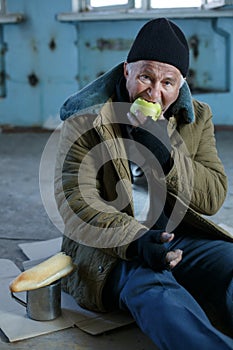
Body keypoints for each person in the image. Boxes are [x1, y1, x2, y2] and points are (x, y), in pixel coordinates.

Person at [54, 18, 233, 349]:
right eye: (146, 77)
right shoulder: (87, 120)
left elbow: (214, 196)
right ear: (127, 72)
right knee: (158, 294)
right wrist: (135, 242)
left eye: (168, 82)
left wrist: (168, 157)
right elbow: (74, 203)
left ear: (181, 84)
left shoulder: (196, 116)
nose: (155, 93)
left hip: (178, 237)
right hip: (114, 249)